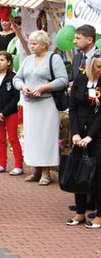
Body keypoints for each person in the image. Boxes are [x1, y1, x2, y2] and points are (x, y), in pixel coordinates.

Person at [13, 30, 68, 185]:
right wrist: (22, 86)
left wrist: (43, 88)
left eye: (34, 43)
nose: (31, 46)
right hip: (30, 104)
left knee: (46, 137)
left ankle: (46, 172)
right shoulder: (28, 60)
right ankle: (36, 170)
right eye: (30, 42)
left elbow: (63, 80)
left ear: (44, 45)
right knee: (32, 137)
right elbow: (17, 77)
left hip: (47, 103)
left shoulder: (54, 58)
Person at [67, 50, 101, 228]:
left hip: (96, 134)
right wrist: (75, 133)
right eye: (98, 66)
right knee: (79, 172)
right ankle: (80, 212)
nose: (100, 70)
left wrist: (90, 136)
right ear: (90, 65)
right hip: (79, 131)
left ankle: (99, 214)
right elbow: (72, 108)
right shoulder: (80, 81)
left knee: (98, 174)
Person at [0, 51, 23, 175]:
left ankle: (18, 165)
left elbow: (15, 97)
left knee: (13, 138)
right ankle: (1, 163)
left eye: (2, 60)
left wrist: (4, 112)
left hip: (10, 113)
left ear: (8, 62)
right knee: (0, 139)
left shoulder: (13, 77)